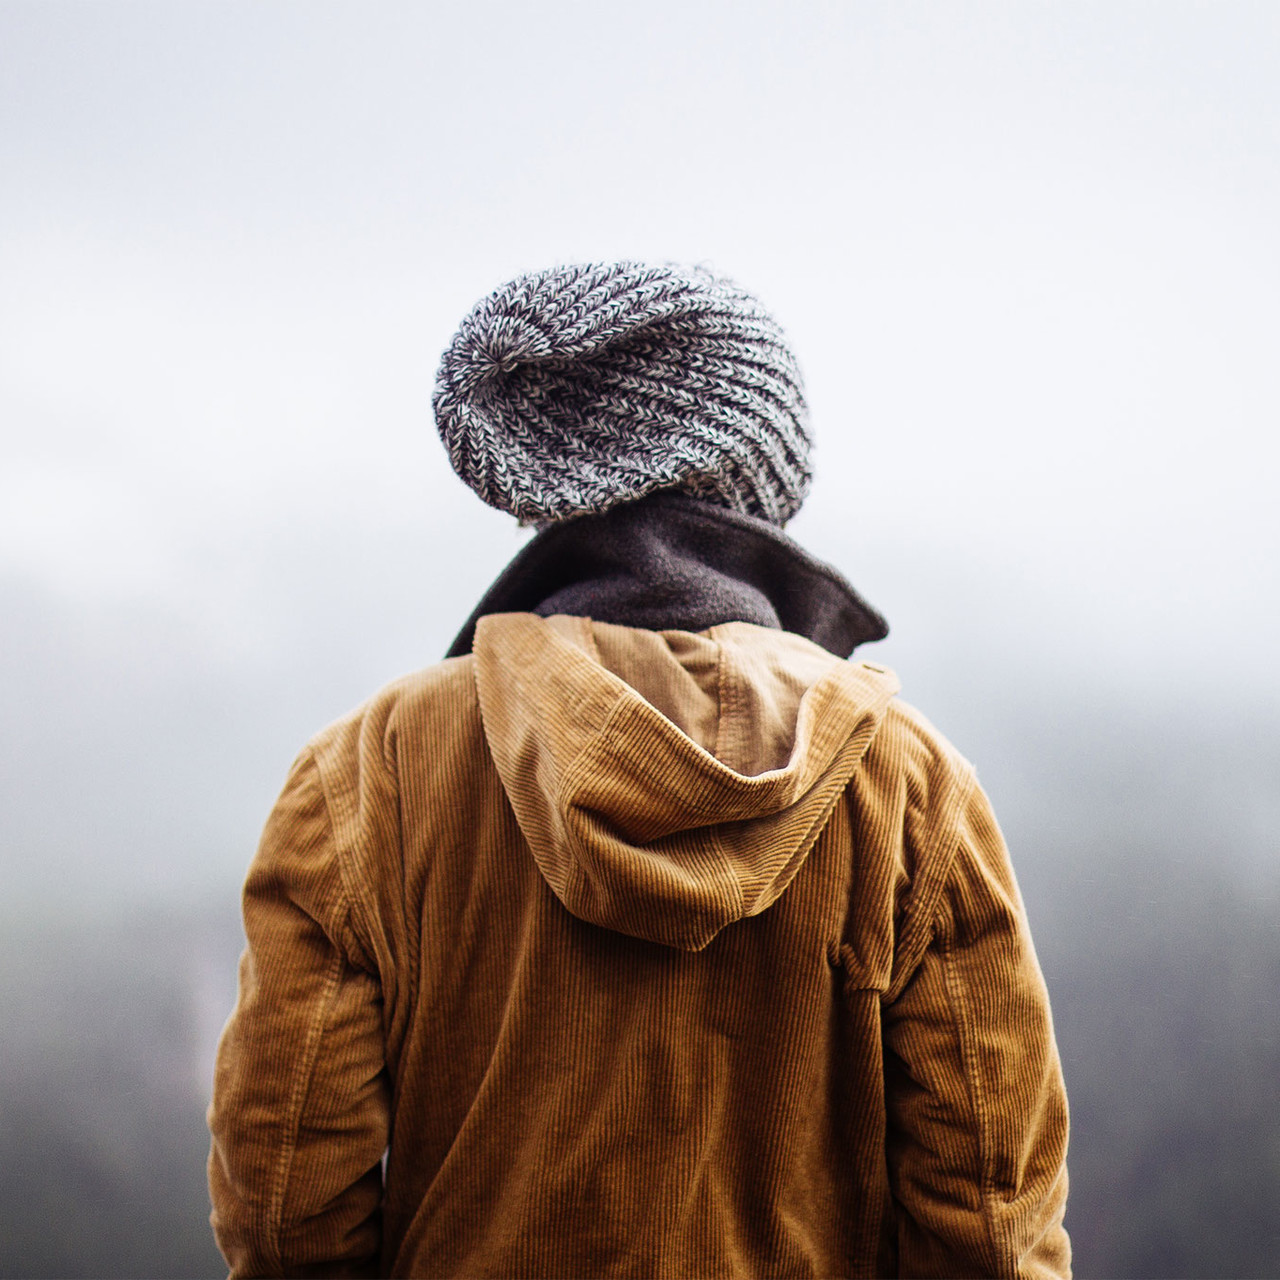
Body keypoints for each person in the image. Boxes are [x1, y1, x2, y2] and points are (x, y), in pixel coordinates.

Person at [207, 262, 1071, 1278]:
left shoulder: (371, 772)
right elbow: (990, 1225)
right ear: (760, 477)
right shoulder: (907, 783)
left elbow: (284, 1205)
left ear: (550, 490)